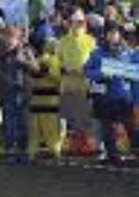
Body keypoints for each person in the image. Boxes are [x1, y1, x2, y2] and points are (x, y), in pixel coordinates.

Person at [84, 26, 136, 164]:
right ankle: (112, 156)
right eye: (110, 33)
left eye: (115, 33)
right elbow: (87, 70)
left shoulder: (128, 53)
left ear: (119, 35)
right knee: (107, 129)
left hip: (124, 97)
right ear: (106, 35)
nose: (113, 36)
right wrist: (102, 74)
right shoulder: (97, 53)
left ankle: (137, 153)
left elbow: (136, 72)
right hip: (105, 98)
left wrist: (129, 74)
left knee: (131, 127)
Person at [0, 26, 39, 164]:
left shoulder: (26, 51)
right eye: (7, 37)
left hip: (24, 93)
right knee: (9, 123)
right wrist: (7, 80)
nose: (9, 40)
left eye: (12, 37)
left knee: (24, 123)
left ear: (18, 39)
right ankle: (10, 151)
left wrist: (22, 61)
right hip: (7, 93)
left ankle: (23, 151)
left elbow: (36, 69)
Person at [58, 9, 98, 141]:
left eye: (80, 22)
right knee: (70, 114)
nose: (77, 25)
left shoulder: (91, 40)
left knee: (86, 113)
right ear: (70, 23)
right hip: (68, 83)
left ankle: (89, 142)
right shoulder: (63, 41)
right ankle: (75, 143)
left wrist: (85, 70)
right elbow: (58, 60)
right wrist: (64, 68)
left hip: (85, 83)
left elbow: (96, 61)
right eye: (75, 22)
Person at [28, 38, 64, 160]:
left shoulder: (38, 60)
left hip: (36, 99)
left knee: (35, 129)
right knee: (52, 128)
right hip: (50, 100)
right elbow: (57, 78)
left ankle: (32, 151)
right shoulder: (55, 61)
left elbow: (33, 75)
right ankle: (55, 150)